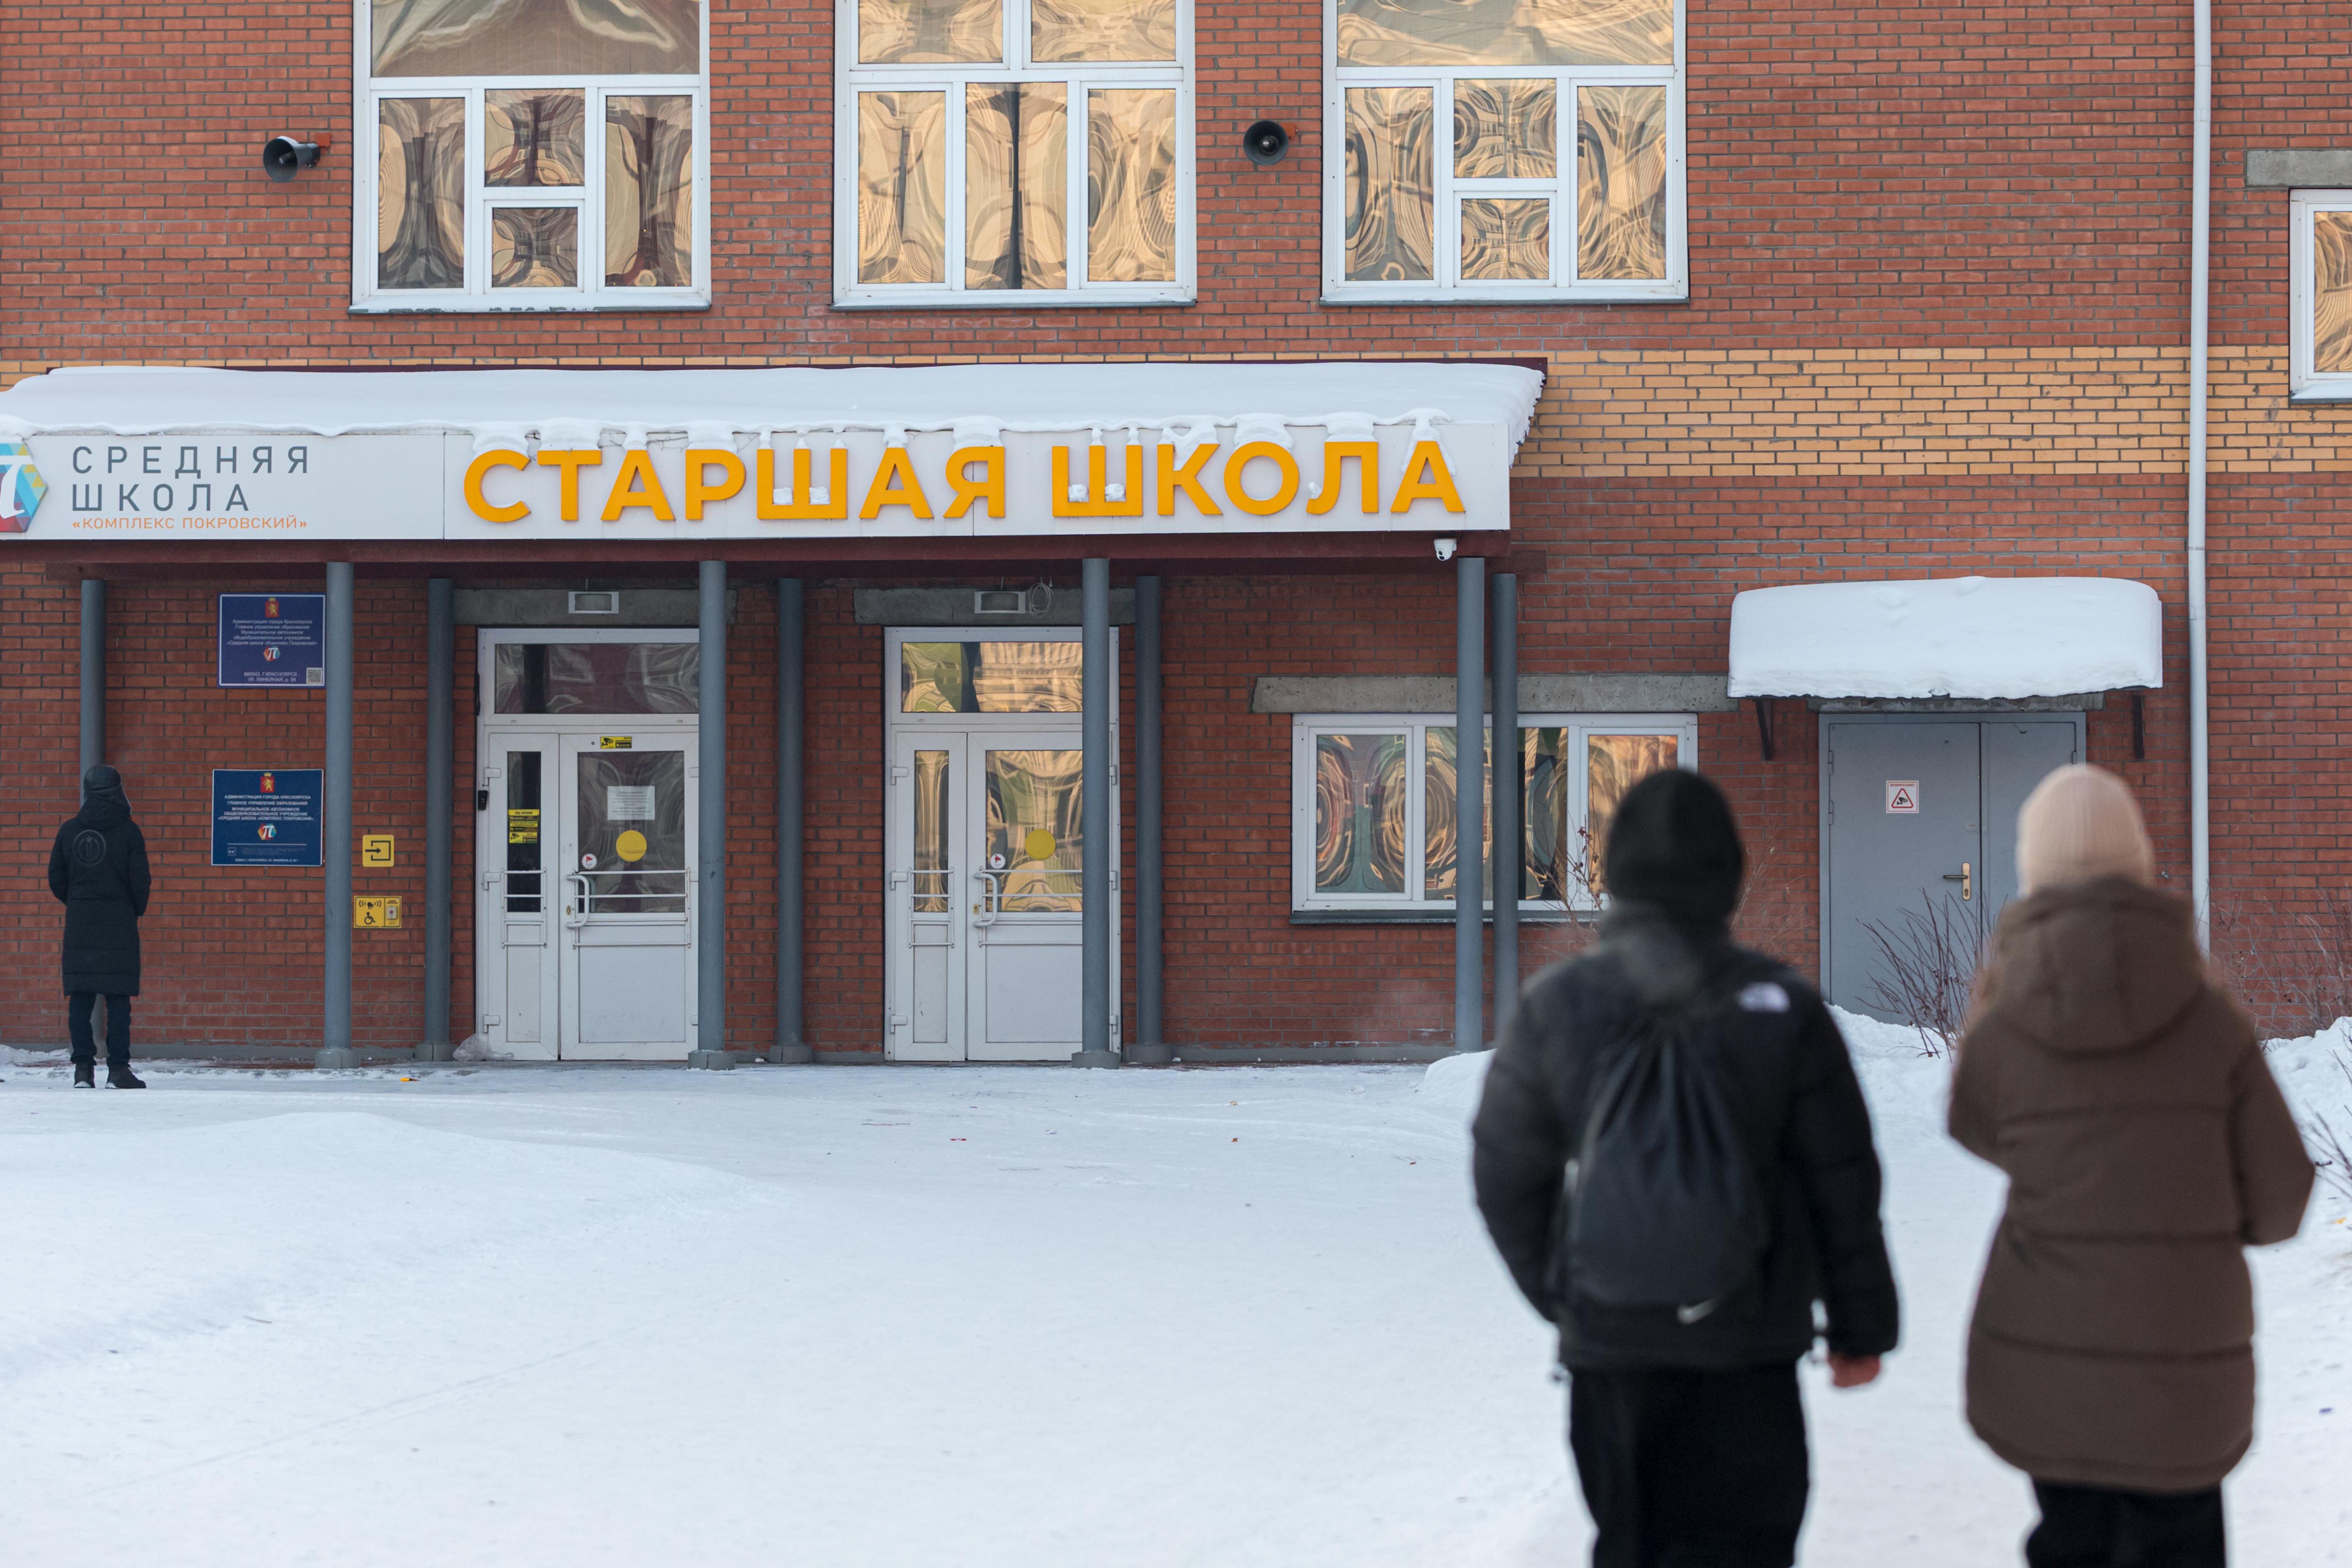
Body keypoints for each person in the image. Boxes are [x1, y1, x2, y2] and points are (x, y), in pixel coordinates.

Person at [1473, 769, 1899, 1568]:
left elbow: (1505, 1174)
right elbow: (1842, 1179)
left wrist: (1571, 1297)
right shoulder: (1783, 1007)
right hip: (1747, 1353)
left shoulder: (1557, 1005)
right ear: (1729, 875)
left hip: (1613, 1354)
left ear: (1616, 872)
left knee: (1631, 1546)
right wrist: (1862, 1325)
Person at [1952, 765, 2313, 1568]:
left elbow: (1975, 1126)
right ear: (2141, 862)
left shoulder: (2007, 1024)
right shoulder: (2211, 1019)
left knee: (2071, 1542)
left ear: (2033, 869)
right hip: (2187, 1374)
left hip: (2050, 1368)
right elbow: (2283, 1193)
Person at [47, 763, 152, 1089]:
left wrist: (77, 902)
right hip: (119, 924)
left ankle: (83, 1070)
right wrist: (133, 910)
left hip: (80, 923)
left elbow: (56, 877)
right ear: (117, 792)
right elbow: (141, 881)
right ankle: (118, 1070)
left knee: (80, 997)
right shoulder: (130, 832)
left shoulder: (69, 830)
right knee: (118, 998)